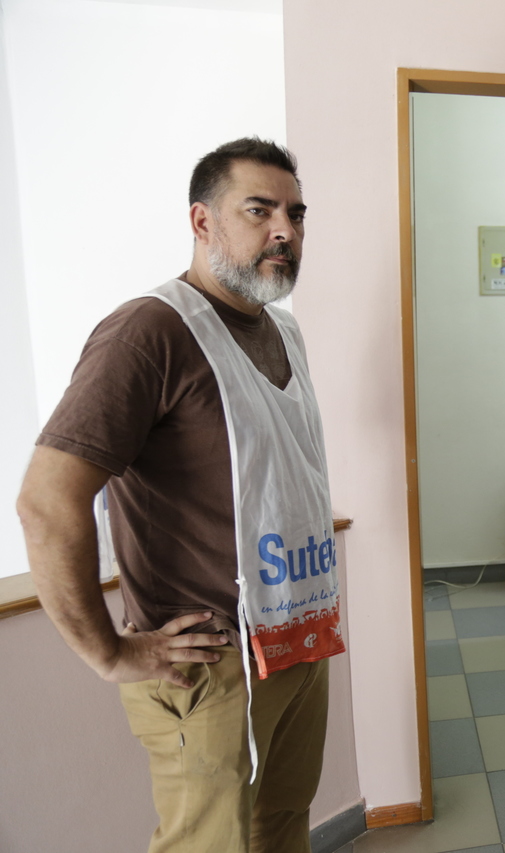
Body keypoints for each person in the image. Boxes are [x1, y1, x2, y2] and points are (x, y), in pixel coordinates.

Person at [16, 138, 341, 853]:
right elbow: (45, 502)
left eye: (295, 214)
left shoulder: (283, 331)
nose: (284, 230)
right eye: (258, 210)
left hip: (297, 639)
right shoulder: (150, 332)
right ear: (202, 221)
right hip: (211, 668)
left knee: (284, 826)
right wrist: (109, 653)